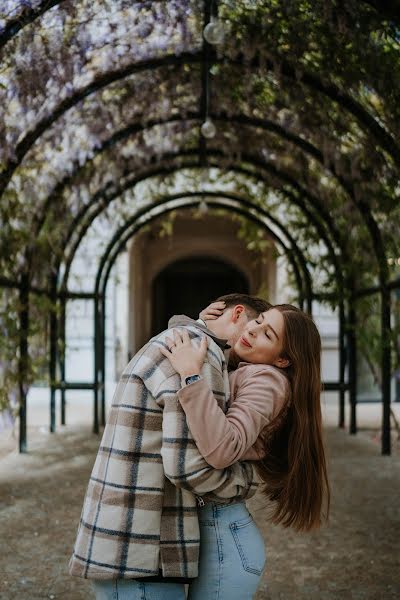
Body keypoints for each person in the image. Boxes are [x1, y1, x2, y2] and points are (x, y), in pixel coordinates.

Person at [69, 293, 271, 600]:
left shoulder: (174, 340)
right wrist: (248, 481)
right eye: (256, 328)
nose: (252, 351)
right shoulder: (200, 355)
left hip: (123, 539)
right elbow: (189, 468)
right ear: (238, 314)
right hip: (143, 551)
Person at [162, 302, 330, 599]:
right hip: (219, 531)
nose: (252, 330)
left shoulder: (268, 381)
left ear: (282, 361)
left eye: (267, 334)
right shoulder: (247, 368)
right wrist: (201, 322)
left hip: (225, 538)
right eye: (259, 321)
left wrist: (191, 376)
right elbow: (183, 337)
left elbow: (222, 449)